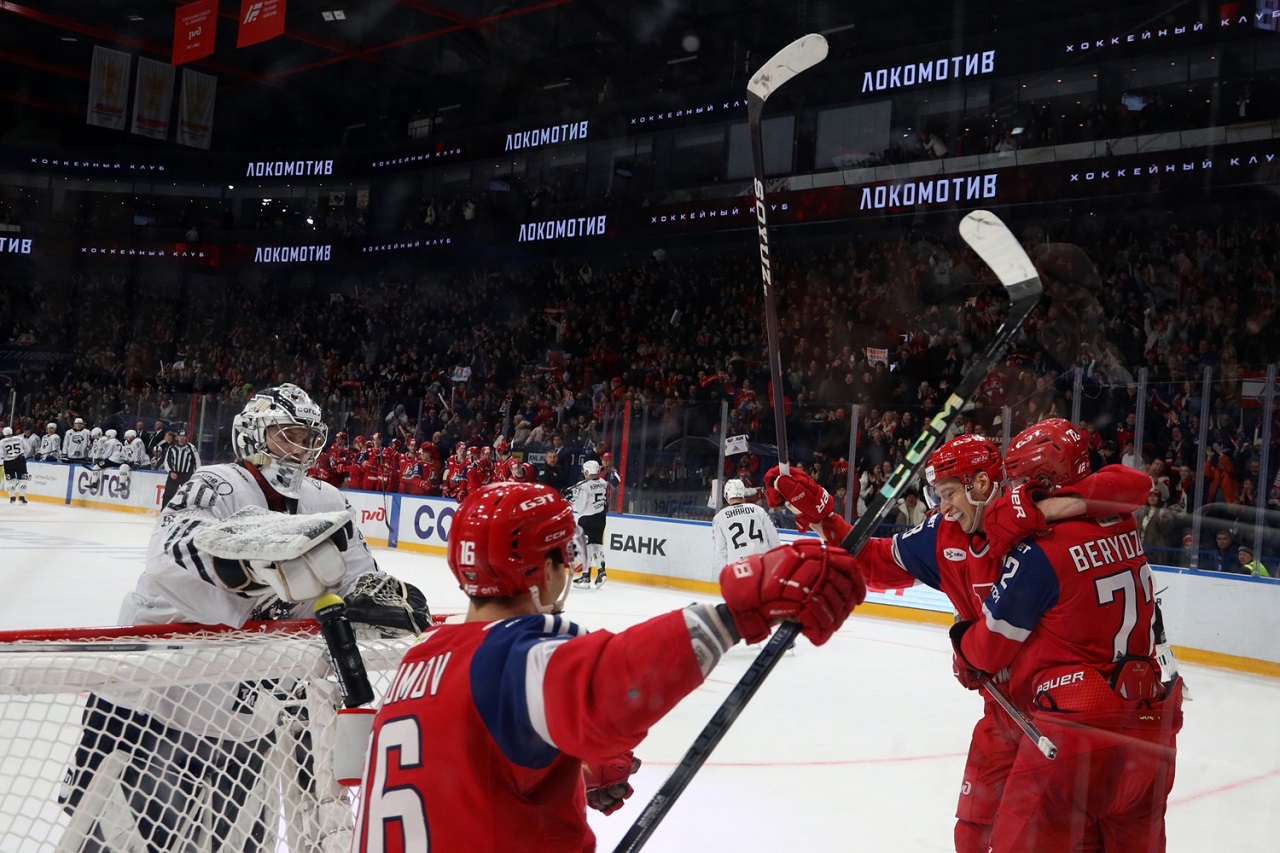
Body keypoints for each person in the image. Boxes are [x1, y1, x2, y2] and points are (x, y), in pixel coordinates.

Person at [351, 480, 867, 853]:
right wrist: (739, 613)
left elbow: (463, 775)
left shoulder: (419, 660)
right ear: (544, 569)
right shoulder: (515, 652)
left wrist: (563, 766)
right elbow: (612, 688)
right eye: (564, 554)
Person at [59, 384, 431, 852]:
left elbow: (358, 580)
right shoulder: (219, 483)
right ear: (253, 435)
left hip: (244, 716)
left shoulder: (328, 502)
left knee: (235, 844)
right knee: (114, 840)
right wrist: (257, 563)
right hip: (152, 697)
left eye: (307, 439)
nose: (299, 450)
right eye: (286, 436)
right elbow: (171, 551)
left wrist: (375, 600)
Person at [763, 423, 1152, 853]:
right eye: (938, 495)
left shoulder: (1034, 521)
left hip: (1056, 713)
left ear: (982, 483)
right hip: (1003, 712)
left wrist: (1043, 509)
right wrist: (821, 516)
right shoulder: (941, 534)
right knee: (972, 833)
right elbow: (870, 560)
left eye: (948, 493)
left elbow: (1130, 484)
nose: (942, 506)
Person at [949, 426, 1184, 852]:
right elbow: (1129, 483)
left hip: (1077, 738)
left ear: (1043, 480)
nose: (1012, 492)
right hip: (1148, 729)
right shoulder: (1123, 520)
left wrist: (962, 641)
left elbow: (987, 652)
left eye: (1020, 481)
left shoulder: (1040, 549)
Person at [711, 477, 781, 569]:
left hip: (739, 568)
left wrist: (726, 571)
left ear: (727, 495)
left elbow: (720, 552)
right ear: (743, 493)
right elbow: (774, 540)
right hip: (762, 563)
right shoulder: (758, 510)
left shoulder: (720, 517)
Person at [568, 459, 611, 588]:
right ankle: (601, 573)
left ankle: (586, 577)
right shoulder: (603, 482)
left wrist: (571, 499)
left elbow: (579, 507)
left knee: (585, 548)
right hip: (600, 517)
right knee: (597, 545)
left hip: (587, 519)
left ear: (587, 471)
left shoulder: (583, 486)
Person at [160, 430, 200, 508]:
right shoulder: (172, 447)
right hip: (173, 474)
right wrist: (170, 472)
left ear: (186, 437)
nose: (182, 438)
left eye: (184, 436)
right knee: (168, 495)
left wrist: (196, 474)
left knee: (187, 495)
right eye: (180, 436)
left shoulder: (191, 448)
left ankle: (185, 512)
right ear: (177, 437)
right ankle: (164, 511)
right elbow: (166, 461)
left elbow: (197, 462)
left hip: (186, 475)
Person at [2, 425, 30, 504]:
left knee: (10, 480)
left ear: (4, 433)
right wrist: (23, 456)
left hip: (8, 462)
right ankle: (22, 498)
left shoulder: (1, 442)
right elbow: (28, 449)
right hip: (20, 460)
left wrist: (7, 457)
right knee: (23, 479)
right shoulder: (20, 438)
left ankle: (12, 498)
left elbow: (1, 454)